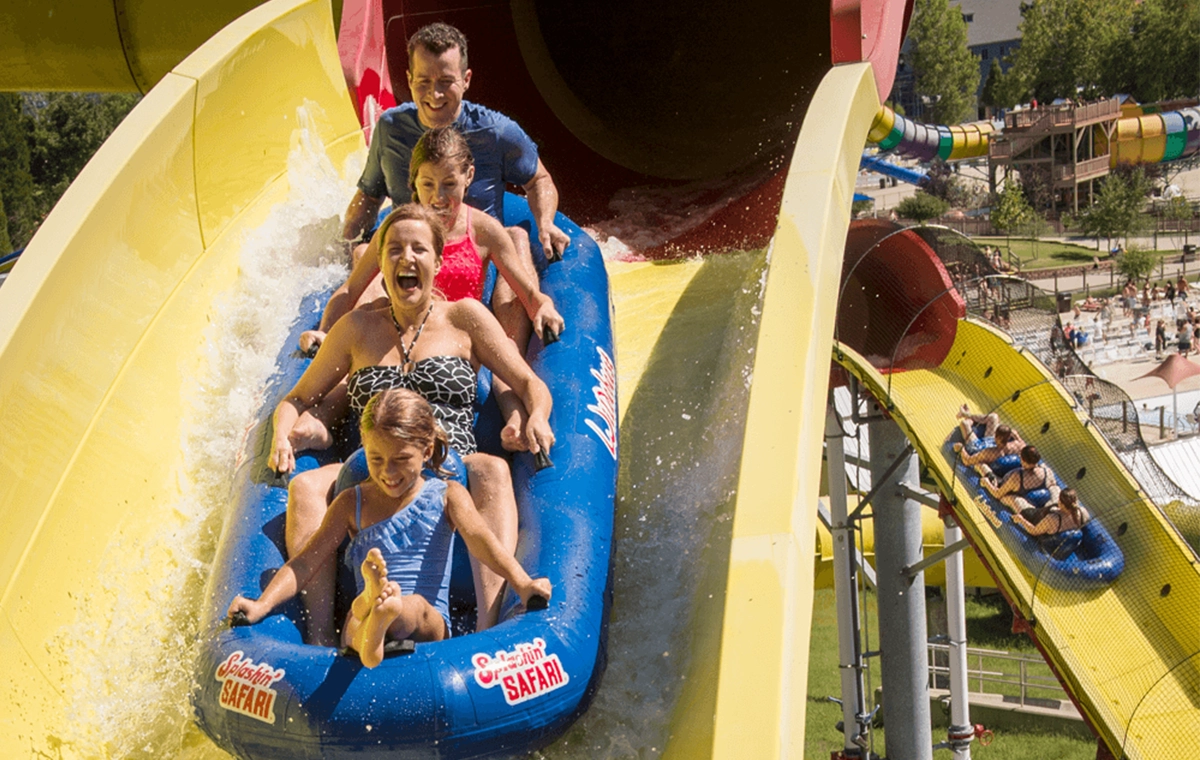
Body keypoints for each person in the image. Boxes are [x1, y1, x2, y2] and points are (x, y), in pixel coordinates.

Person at [274, 204, 554, 645]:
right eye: (395, 250)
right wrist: (280, 435)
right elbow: (298, 397)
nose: (407, 258)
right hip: (370, 468)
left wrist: (536, 415)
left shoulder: (464, 318)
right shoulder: (356, 329)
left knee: (492, 469)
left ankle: (488, 628)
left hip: (450, 465)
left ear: (438, 262)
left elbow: (527, 382)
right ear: (381, 262)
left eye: (419, 249)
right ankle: (321, 636)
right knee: (305, 488)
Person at [229, 389, 552, 667]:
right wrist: (261, 605)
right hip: (366, 617)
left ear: (426, 451)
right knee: (358, 617)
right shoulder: (350, 502)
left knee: (410, 607)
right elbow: (305, 563)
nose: (388, 472)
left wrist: (523, 583)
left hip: (429, 619)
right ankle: (373, 624)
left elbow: (482, 543)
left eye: (400, 459)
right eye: (376, 459)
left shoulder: (447, 494)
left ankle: (382, 616)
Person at [302, 126, 565, 451]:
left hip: (459, 338)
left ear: (469, 176)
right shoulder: (396, 230)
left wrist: (543, 306)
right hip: (399, 336)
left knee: (505, 345)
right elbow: (351, 290)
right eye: (428, 185)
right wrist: (326, 332)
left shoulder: (482, 229)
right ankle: (323, 419)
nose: (439, 197)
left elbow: (527, 292)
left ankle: (515, 416)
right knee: (366, 304)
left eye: (449, 185)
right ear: (413, 183)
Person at [329, 22, 568, 360]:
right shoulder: (391, 130)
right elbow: (369, 195)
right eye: (423, 82)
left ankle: (509, 362)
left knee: (514, 237)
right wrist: (344, 243)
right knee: (369, 249)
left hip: (480, 265)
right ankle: (361, 359)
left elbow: (538, 180)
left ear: (466, 80)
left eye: (446, 82)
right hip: (415, 264)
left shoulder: (494, 131)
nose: (434, 95)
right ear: (409, 80)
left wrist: (545, 224)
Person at [982, 444, 1061, 514]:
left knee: (982, 466)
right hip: (1030, 503)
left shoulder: (1017, 478)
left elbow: (997, 494)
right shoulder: (1046, 472)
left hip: (1013, 499)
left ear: (1024, 461)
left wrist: (986, 483)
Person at [952, 406, 1024, 476]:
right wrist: (1017, 436)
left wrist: (961, 449)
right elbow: (1024, 446)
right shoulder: (1017, 445)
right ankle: (967, 414)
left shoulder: (990, 453)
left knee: (964, 424)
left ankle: (969, 418)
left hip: (978, 447)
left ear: (996, 435)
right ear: (1009, 437)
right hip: (992, 442)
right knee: (994, 417)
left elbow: (967, 461)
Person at [1009, 488, 1089, 537]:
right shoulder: (1083, 513)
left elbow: (1034, 531)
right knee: (1055, 489)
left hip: (1033, 517)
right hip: (1051, 520)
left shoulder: (1052, 519)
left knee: (1014, 499)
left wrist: (1021, 520)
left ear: (1061, 503)